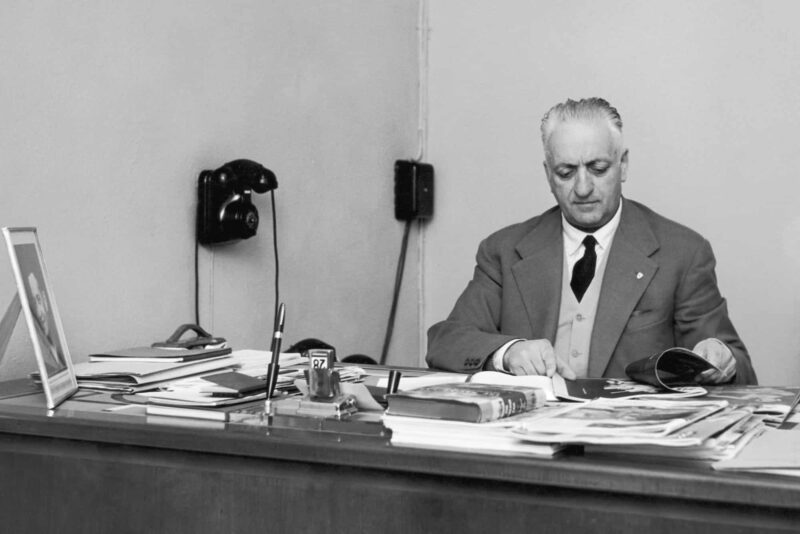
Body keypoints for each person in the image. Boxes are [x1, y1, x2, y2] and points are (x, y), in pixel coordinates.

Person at [426, 97, 757, 385]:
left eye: (597, 168)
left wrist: (722, 360)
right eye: (566, 172)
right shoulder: (503, 250)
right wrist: (507, 353)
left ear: (623, 165)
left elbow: (740, 369)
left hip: (632, 446)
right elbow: (445, 342)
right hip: (529, 437)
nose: (582, 188)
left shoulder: (683, 253)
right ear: (547, 174)